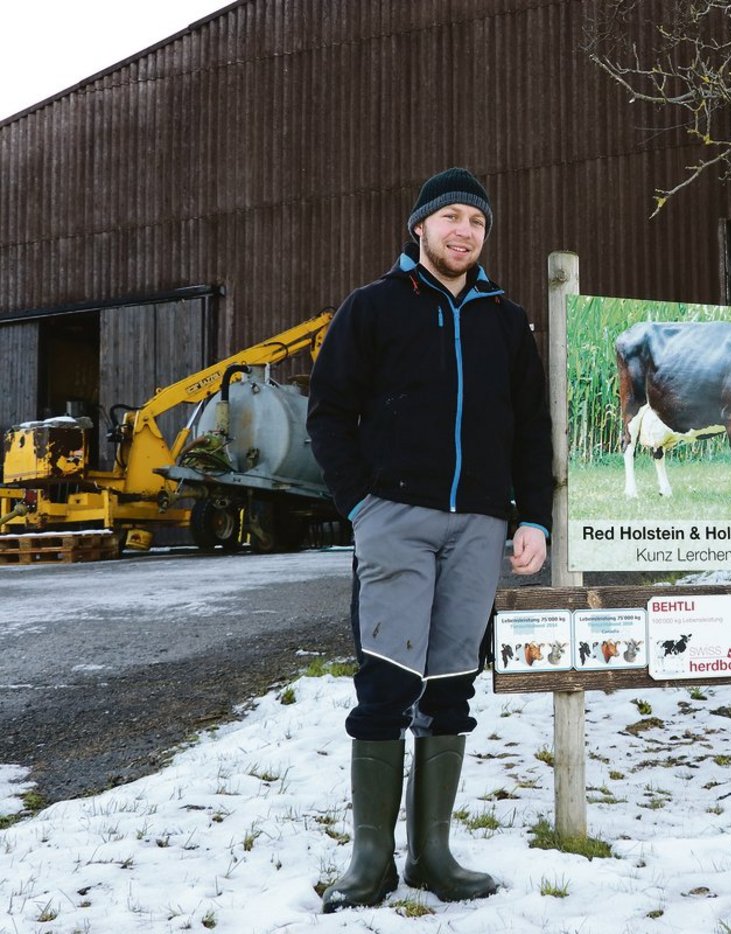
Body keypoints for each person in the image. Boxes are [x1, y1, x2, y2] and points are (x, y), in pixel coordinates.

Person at [307, 167, 553, 911]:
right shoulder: (374, 308)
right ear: (419, 226)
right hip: (396, 521)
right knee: (386, 683)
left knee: (451, 687)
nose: (464, 233)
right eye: (450, 218)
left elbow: (531, 431)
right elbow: (328, 413)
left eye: (476, 223)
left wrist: (532, 518)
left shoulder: (506, 322)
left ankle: (434, 855)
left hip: (478, 526)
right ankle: (370, 860)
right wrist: (362, 508)